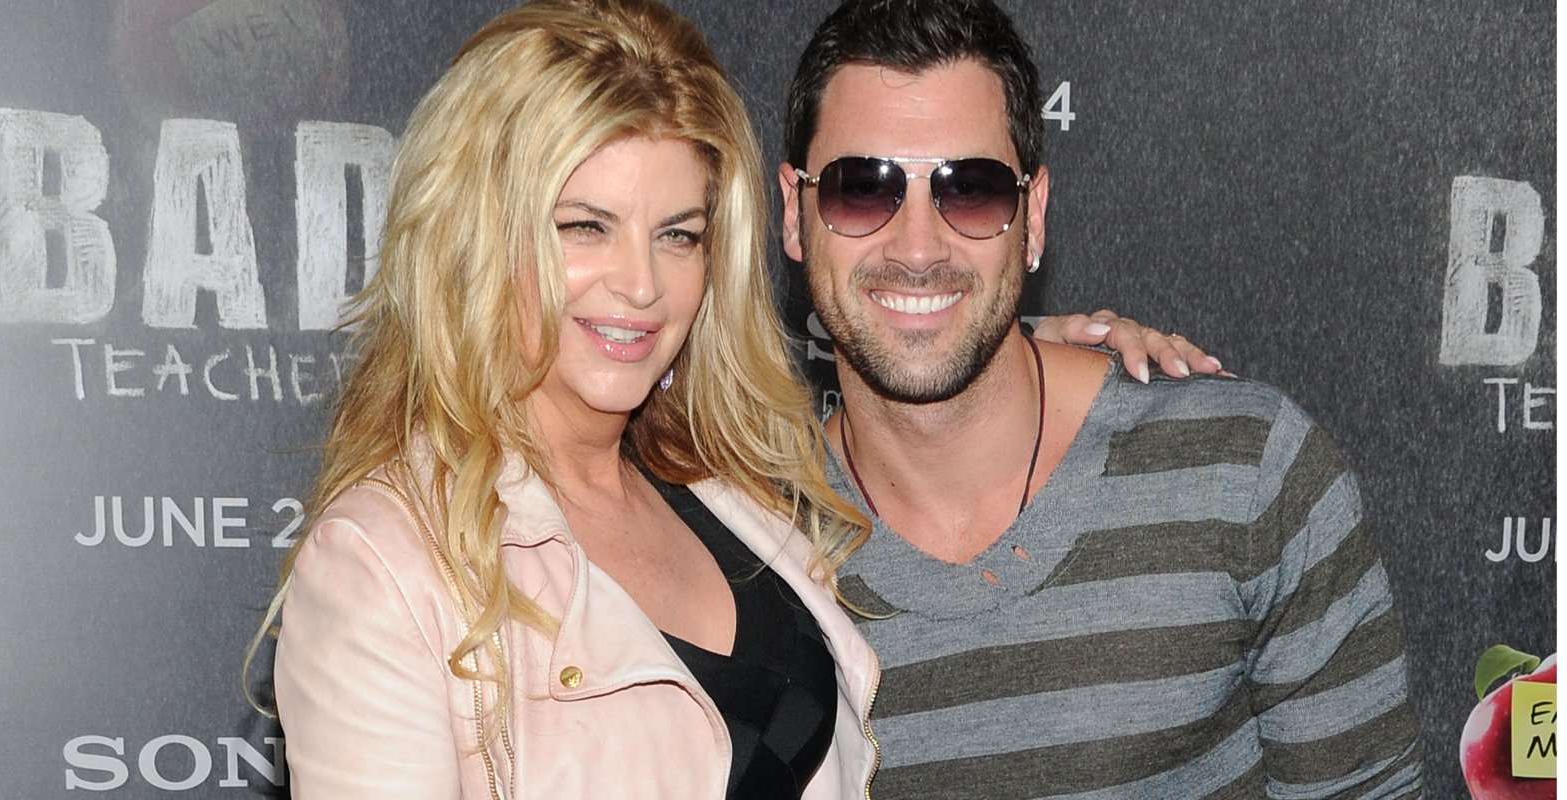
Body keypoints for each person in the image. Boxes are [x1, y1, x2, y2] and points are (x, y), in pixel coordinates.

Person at [251, 0, 1200, 797]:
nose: (641, 286)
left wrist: (1009, 338)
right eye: (585, 227)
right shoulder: (383, 567)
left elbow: (918, 362)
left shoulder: (732, 485)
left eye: (678, 235)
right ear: (474, 239)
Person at [776, 1, 1424, 798]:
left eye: (971, 190)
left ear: (1033, 216)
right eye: (860, 189)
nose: (918, 247)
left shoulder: (1243, 473)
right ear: (794, 213)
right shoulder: (747, 546)